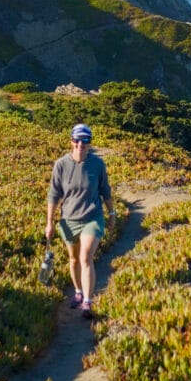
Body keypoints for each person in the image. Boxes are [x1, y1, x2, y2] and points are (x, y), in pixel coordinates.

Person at [45, 123, 115, 315]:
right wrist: (49, 222)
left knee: (85, 257)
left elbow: (105, 191)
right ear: (71, 141)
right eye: (77, 140)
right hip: (68, 220)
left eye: (85, 140)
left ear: (90, 143)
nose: (80, 144)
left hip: (92, 217)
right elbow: (53, 195)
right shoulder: (61, 165)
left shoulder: (97, 164)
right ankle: (77, 292)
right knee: (74, 259)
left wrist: (112, 213)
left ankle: (87, 300)